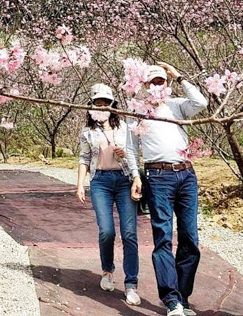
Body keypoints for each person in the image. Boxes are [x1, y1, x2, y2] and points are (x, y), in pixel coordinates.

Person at [138, 62, 208, 316]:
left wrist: (178, 76)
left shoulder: (177, 105)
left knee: (190, 237)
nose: (157, 86)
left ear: (166, 84)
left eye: (161, 82)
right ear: (145, 86)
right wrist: (136, 177)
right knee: (163, 237)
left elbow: (201, 103)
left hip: (186, 174)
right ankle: (171, 300)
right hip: (157, 176)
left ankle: (183, 296)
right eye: (152, 82)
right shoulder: (138, 110)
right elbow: (129, 144)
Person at [76, 82, 143, 306]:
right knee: (106, 231)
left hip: (124, 180)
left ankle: (131, 284)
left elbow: (132, 154)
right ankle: (107, 271)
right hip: (100, 182)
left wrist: (135, 175)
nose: (102, 107)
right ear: (91, 107)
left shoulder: (124, 127)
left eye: (106, 104)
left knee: (129, 233)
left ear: (112, 106)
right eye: (98, 103)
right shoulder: (87, 132)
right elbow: (84, 159)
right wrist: (80, 185)